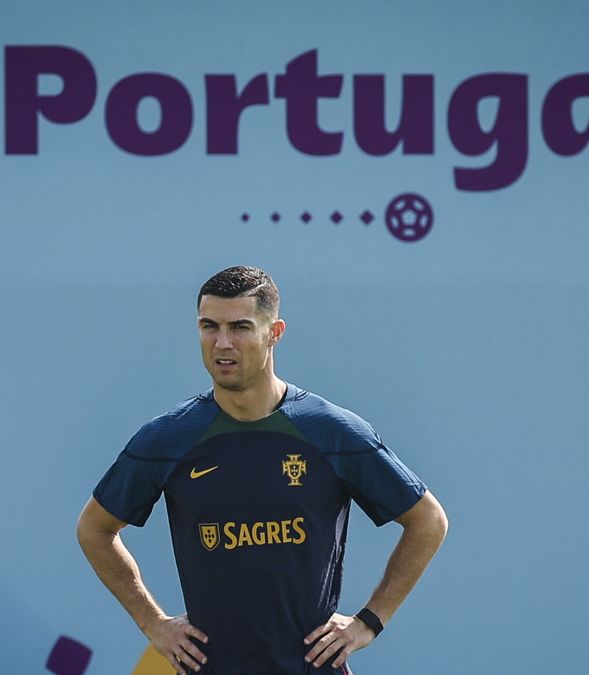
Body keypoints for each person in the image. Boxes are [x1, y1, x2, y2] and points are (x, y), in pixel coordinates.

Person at [76, 266, 448, 674]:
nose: (222, 343)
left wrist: (368, 622)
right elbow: (94, 529)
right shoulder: (169, 439)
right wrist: (153, 622)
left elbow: (427, 520)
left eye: (240, 327)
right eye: (208, 326)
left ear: (275, 332)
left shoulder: (329, 431)